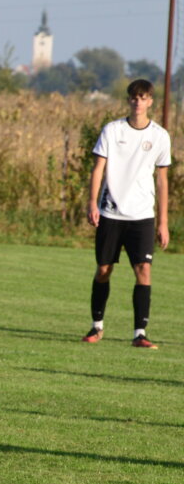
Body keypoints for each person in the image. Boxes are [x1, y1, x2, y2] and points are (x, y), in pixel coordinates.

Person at [82, 78, 170, 349]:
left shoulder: (159, 136)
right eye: (134, 97)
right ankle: (97, 327)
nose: (138, 102)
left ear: (150, 101)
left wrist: (163, 222)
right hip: (111, 213)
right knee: (104, 269)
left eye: (143, 98)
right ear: (129, 100)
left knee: (144, 270)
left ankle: (139, 333)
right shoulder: (112, 130)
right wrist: (92, 203)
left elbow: (162, 180)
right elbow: (98, 169)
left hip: (142, 216)